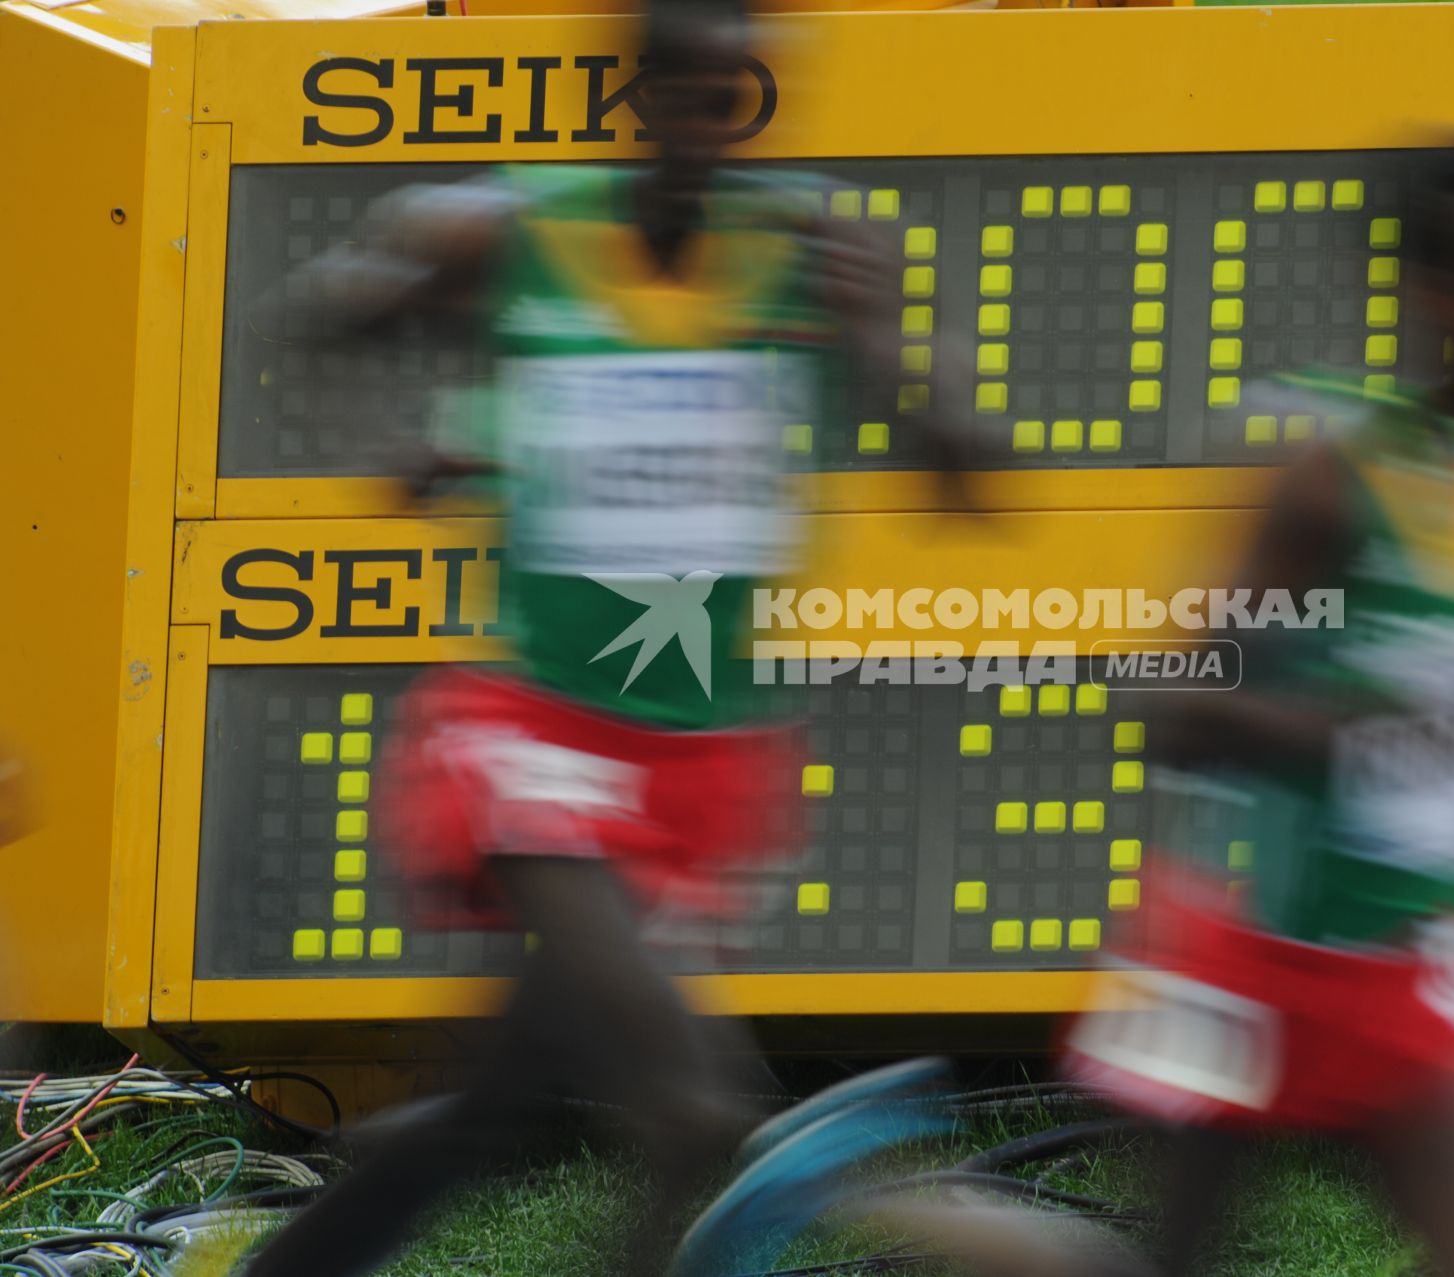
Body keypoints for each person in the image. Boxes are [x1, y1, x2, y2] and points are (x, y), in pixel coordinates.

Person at [226, 3, 971, 1274]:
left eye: (745, 100)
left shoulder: (814, 244)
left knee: (489, 1108)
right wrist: (446, 376)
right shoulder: (513, 229)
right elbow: (305, 326)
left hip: (701, 753)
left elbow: (970, 482)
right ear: (636, 93)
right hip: (529, 724)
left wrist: (888, 350)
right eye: (691, 96)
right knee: (689, 1102)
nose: (715, 131)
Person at [1063, 142, 1454, 1277]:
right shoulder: (1329, 474)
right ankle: (874, 1202)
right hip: (1250, 947)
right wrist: (1408, 725)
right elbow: (1179, 707)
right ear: (1427, 291)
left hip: (1406, 962)